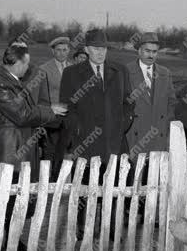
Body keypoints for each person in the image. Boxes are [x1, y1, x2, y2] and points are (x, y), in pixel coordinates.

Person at [0, 43, 67, 251]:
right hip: (8, 148)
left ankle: (10, 239)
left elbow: (26, 111)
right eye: (26, 63)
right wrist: (50, 111)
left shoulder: (9, 80)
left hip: (17, 146)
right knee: (5, 196)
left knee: (15, 196)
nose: (28, 68)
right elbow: (22, 114)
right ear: (18, 62)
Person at [59, 28, 135, 164]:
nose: (101, 53)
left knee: (115, 183)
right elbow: (66, 108)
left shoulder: (120, 71)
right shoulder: (71, 73)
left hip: (115, 145)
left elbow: (128, 102)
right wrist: (78, 129)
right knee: (87, 183)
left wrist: (120, 125)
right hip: (85, 145)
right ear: (86, 50)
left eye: (103, 48)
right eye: (96, 48)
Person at [125, 32, 176, 157]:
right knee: (136, 175)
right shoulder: (125, 71)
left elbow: (171, 103)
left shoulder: (165, 73)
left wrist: (165, 127)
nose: (151, 55)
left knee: (156, 174)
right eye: (147, 51)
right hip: (134, 138)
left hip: (159, 138)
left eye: (154, 52)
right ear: (139, 51)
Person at [36, 36, 72, 177]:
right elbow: (40, 96)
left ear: (68, 50)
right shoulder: (43, 69)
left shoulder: (74, 68)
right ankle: (47, 180)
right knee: (50, 151)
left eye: (65, 50)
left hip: (70, 117)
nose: (62, 53)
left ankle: (62, 181)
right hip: (52, 118)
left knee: (67, 151)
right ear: (53, 51)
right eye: (58, 50)